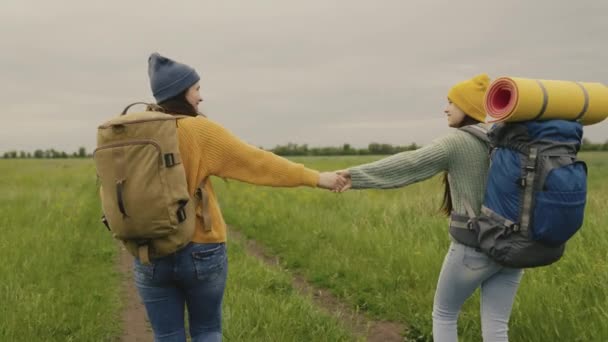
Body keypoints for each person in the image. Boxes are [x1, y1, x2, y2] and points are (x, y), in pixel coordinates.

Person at [135, 52, 345, 342]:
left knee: (166, 336)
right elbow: (257, 162)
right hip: (200, 246)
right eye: (196, 89)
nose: (200, 97)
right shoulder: (198, 130)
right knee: (207, 331)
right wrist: (317, 178)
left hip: (149, 249)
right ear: (180, 93)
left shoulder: (135, 132)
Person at [336, 74, 523, 342]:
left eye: (451, 102)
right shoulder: (506, 143)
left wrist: (354, 176)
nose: (446, 108)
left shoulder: (457, 141)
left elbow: (410, 164)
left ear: (468, 107)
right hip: (513, 249)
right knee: (496, 327)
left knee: (445, 314)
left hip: (473, 248)